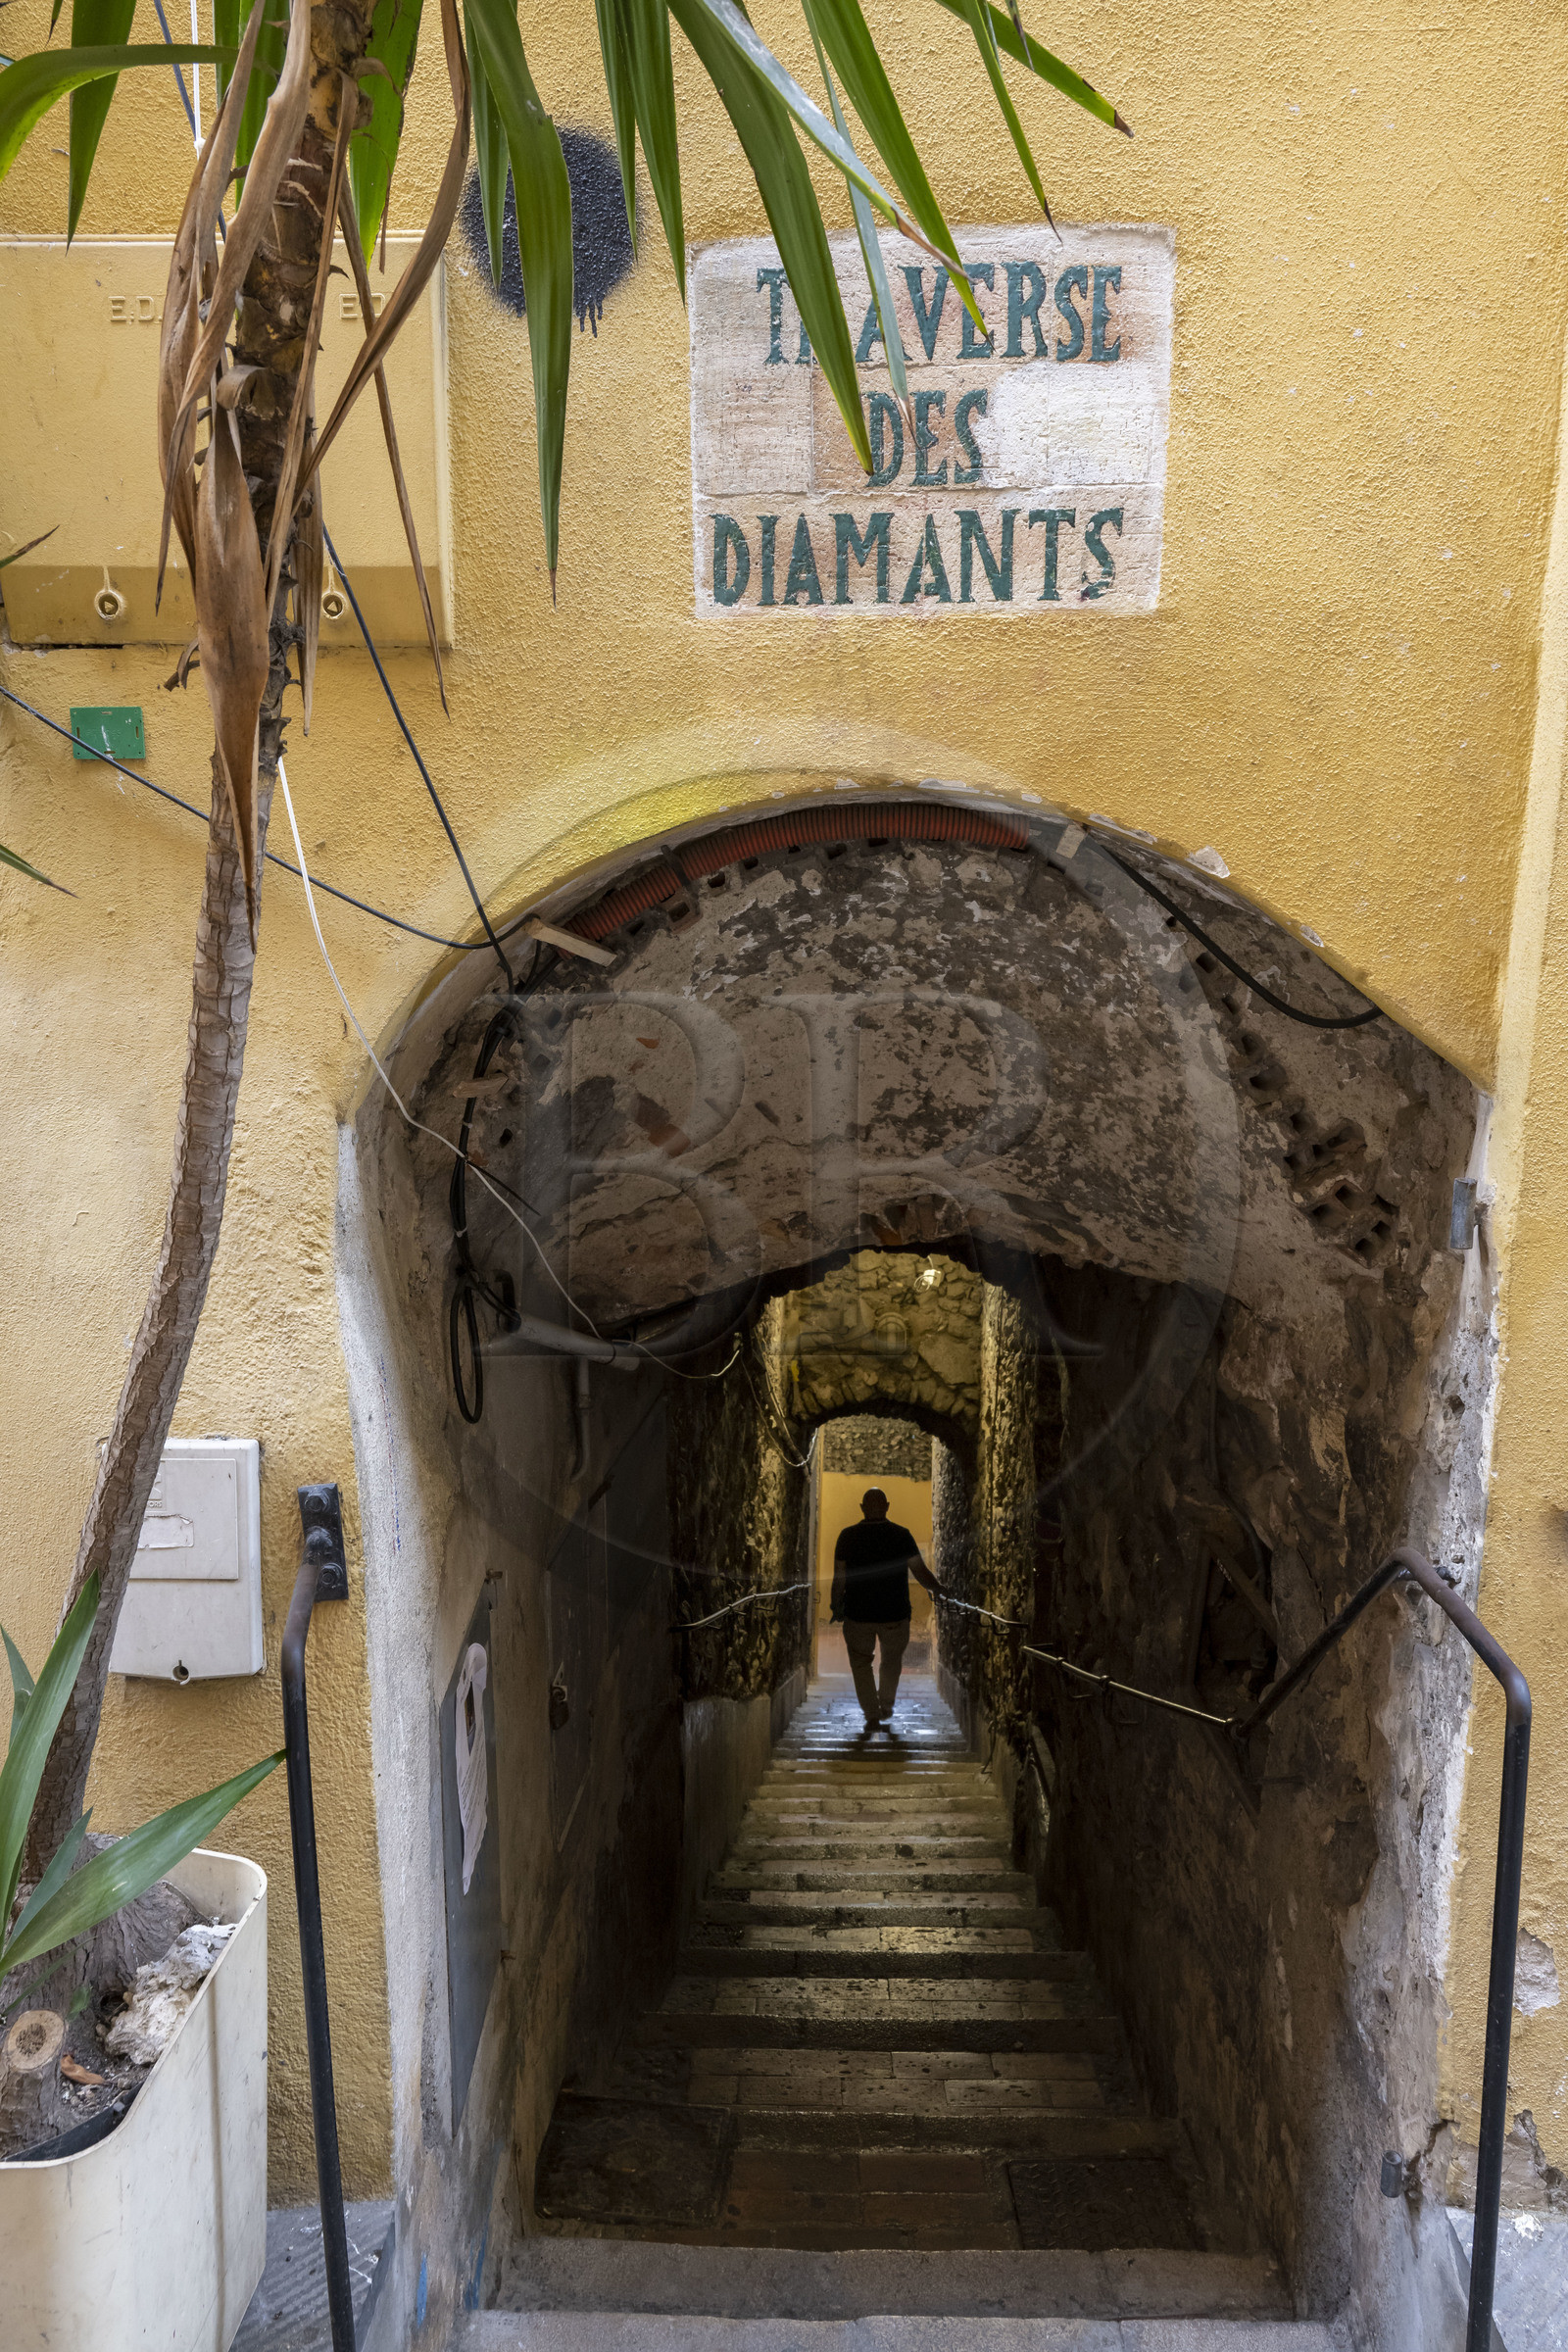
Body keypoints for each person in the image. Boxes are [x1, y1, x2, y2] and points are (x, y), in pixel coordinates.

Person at [830, 1488, 943, 1732]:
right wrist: (939, 1589)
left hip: (858, 1613)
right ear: (887, 1506)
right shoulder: (901, 1535)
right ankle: (886, 1705)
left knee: (861, 1664)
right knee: (891, 1661)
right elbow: (919, 1571)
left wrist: (835, 1605)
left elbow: (839, 1577)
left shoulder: (847, 1536)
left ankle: (872, 1713)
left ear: (862, 1507)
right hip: (895, 1613)